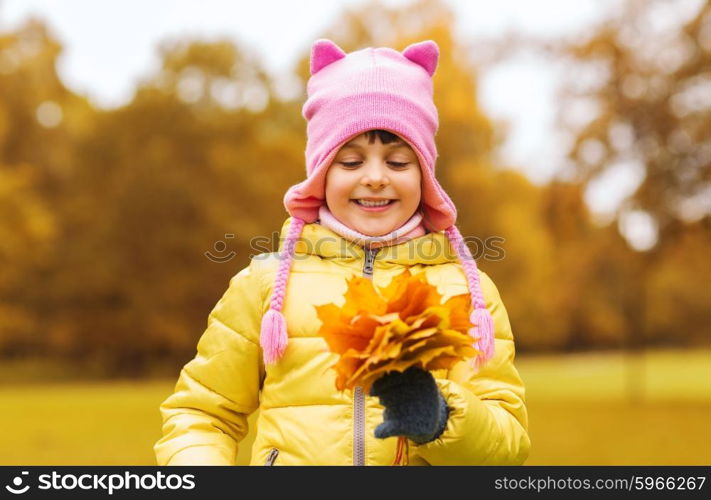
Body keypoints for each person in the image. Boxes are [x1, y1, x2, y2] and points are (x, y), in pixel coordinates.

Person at [154, 38, 530, 466]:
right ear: (320, 175)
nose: (374, 178)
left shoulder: (468, 293)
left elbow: (507, 448)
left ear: (425, 175)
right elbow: (202, 414)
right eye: (350, 162)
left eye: (398, 162)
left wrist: (442, 418)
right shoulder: (265, 286)